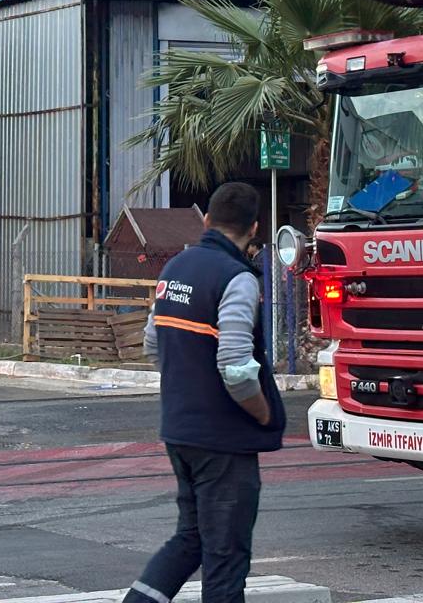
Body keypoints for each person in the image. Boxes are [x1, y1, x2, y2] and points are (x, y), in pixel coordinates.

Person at [123, 182, 286, 603]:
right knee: (226, 557)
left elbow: (152, 345)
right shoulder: (238, 278)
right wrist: (264, 413)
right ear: (254, 228)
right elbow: (235, 366)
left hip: (180, 431)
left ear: (208, 221)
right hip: (223, 442)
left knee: (190, 538)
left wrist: (188, 386)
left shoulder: (174, 268)